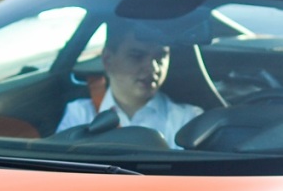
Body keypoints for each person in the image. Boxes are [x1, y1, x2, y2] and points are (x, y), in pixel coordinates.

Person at [55, 19, 202, 148]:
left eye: (160, 56)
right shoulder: (79, 115)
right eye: (137, 56)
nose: (153, 68)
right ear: (107, 60)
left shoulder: (187, 119)